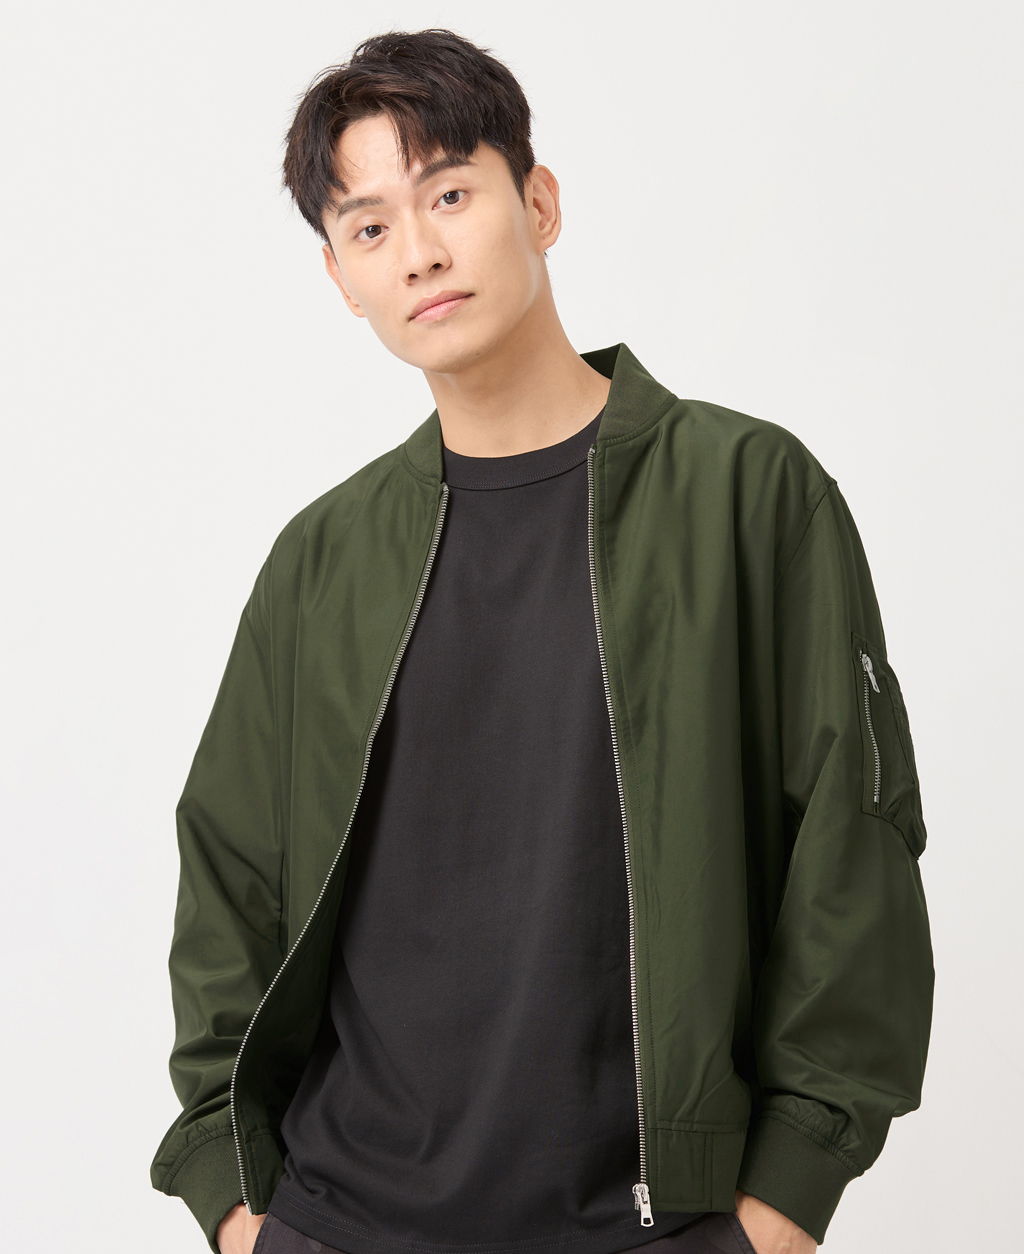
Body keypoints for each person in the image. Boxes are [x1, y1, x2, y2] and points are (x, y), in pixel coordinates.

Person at [149, 28, 934, 1254]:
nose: (418, 251)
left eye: (449, 194)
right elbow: (228, 882)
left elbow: (853, 850)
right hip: (339, 1222)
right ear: (342, 278)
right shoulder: (320, 561)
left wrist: (782, 1202)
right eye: (369, 227)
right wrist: (236, 1205)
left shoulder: (747, 494)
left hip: (653, 1225)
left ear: (540, 203)